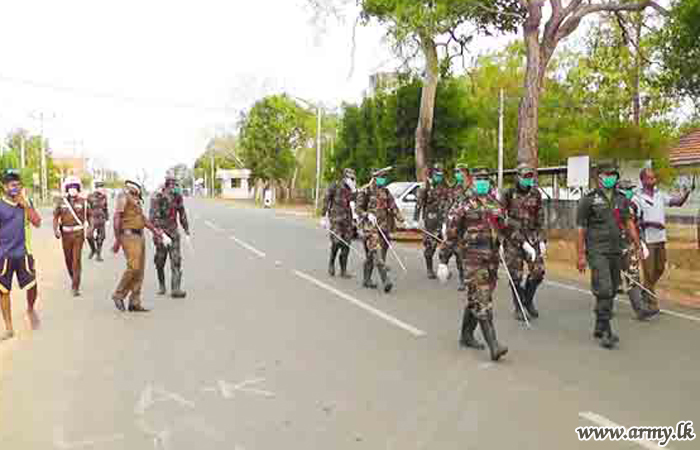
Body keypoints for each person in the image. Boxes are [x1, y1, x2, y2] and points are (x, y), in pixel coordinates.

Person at [576, 160, 642, 349]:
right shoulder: (588, 200)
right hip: (597, 250)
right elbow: (580, 229)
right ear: (599, 177)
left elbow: (629, 222)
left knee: (612, 289)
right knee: (604, 288)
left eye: (614, 175)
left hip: (616, 249)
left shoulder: (622, 198)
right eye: (607, 175)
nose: (611, 178)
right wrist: (580, 255)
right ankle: (607, 331)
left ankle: (599, 322)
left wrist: (637, 243)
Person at [445, 167, 508, 361]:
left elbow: (504, 228)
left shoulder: (495, 203)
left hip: (492, 260)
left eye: (485, 179)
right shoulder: (463, 204)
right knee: (483, 300)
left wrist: (510, 242)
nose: (482, 182)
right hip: (472, 261)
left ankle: (466, 335)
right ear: (473, 181)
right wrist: (443, 260)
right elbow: (451, 233)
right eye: (479, 179)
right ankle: (494, 345)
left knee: (475, 299)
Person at [634, 168, 694, 315]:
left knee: (660, 268)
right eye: (649, 178)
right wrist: (650, 223)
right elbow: (633, 221)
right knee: (648, 272)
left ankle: (645, 289)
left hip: (660, 239)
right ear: (642, 180)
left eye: (654, 178)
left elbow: (677, 202)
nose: (653, 181)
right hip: (647, 240)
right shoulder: (637, 198)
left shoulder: (660, 195)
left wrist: (686, 193)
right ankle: (652, 304)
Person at [0, 170, 42, 340]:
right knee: (3, 292)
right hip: (3, 256)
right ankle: (9, 327)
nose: (15, 188)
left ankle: (31, 309)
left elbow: (37, 222)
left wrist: (26, 205)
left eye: (17, 185)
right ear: (4, 187)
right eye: (11, 185)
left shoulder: (26, 203)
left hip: (24, 253)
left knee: (32, 285)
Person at [502, 163, 546, 321]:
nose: (528, 179)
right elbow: (502, 220)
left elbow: (540, 218)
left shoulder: (536, 194)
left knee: (538, 272)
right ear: (517, 176)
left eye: (530, 176)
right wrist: (518, 240)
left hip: (532, 237)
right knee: (516, 276)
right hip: (513, 239)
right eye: (525, 176)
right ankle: (519, 306)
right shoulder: (508, 193)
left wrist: (541, 239)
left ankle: (527, 300)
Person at [111, 180, 163, 312]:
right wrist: (117, 240)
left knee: (139, 271)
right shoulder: (123, 196)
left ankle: (134, 301)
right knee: (133, 267)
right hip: (128, 236)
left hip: (139, 236)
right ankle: (118, 294)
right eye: (137, 188)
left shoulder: (135, 199)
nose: (139, 190)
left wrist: (155, 231)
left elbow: (142, 219)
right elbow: (117, 218)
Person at [356, 167, 405, 293]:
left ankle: (366, 280)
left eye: (384, 177)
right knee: (377, 252)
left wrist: (401, 218)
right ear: (375, 177)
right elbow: (358, 209)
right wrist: (367, 214)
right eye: (381, 177)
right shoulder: (365, 190)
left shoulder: (386, 191)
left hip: (383, 227)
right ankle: (386, 280)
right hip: (369, 228)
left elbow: (393, 206)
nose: (383, 179)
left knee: (371, 255)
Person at [617, 179, 654, 321]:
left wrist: (639, 244)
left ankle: (640, 309)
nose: (631, 191)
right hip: (610, 247)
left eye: (631, 188)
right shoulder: (611, 205)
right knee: (608, 281)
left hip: (628, 245)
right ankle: (603, 307)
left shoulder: (632, 205)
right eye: (628, 188)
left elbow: (636, 226)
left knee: (633, 276)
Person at [150, 173, 190, 298]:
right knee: (160, 261)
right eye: (171, 184)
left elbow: (182, 213)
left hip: (173, 232)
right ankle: (162, 285)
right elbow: (153, 219)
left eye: (175, 184)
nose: (173, 187)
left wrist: (186, 230)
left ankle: (176, 289)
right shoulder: (157, 197)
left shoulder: (178, 197)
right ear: (166, 185)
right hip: (161, 234)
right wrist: (161, 234)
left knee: (176, 260)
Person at [53, 176, 90, 297]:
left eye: (75, 188)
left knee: (76, 260)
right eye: (70, 188)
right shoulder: (61, 202)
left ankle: (75, 286)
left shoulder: (83, 202)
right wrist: (55, 230)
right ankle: (73, 277)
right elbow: (55, 217)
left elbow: (90, 217)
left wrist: (90, 229)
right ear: (67, 189)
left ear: (78, 189)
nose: (72, 190)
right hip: (65, 234)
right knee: (68, 260)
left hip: (78, 234)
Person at [414, 163, 451, 280]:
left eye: (441, 174)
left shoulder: (446, 185)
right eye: (437, 174)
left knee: (447, 246)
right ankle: (429, 269)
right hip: (431, 220)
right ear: (433, 173)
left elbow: (450, 200)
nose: (439, 176)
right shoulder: (426, 186)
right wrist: (416, 219)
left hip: (444, 219)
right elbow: (419, 203)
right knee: (430, 246)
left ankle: (443, 268)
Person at [438, 163, 471, 291]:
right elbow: (449, 204)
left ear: (465, 173)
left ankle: (464, 279)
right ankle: (455, 274)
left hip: (467, 226)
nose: (458, 174)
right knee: (453, 250)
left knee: (462, 254)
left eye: (460, 172)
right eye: (456, 172)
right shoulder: (455, 187)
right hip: (454, 225)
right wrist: (445, 222)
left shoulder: (472, 188)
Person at [321, 168, 357, 279]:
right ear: (344, 177)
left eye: (352, 177)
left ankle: (343, 270)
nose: (350, 179)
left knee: (346, 245)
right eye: (349, 177)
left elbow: (356, 200)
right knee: (336, 242)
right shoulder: (335, 185)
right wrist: (323, 216)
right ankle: (331, 263)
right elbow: (326, 199)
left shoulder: (352, 188)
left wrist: (354, 189)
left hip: (347, 219)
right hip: (336, 218)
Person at [86, 180, 109, 262]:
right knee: (89, 235)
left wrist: (107, 218)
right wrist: (86, 220)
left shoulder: (104, 197)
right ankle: (93, 250)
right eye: (100, 187)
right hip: (93, 218)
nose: (102, 189)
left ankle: (98, 255)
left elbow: (106, 208)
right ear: (96, 188)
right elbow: (86, 208)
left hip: (101, 218)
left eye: (103, 187)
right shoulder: (90, 196)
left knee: (101, 237)